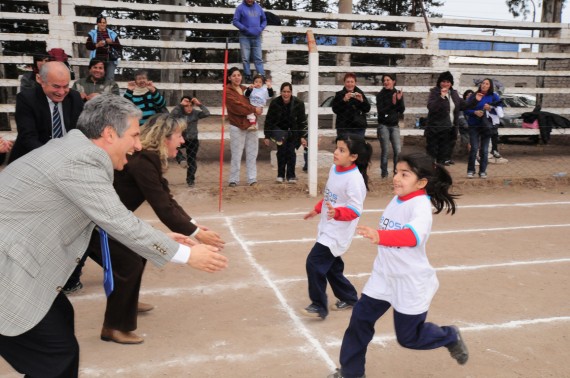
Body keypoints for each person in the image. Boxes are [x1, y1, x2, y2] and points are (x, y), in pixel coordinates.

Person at [0, 94, 228, 377]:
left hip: (21, 263)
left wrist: (162, 238)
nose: (138, 144)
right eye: (133, 135)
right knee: (56, 356)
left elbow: (107, 215)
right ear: (109, 134)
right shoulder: (80, 161)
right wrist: (186, 254)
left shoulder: (73, 151)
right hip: (9, 272)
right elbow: (116, 219)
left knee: (60, 329)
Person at [83, 113, 225, 344]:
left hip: (109, 220)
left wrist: (194, 226)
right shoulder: (142, 162)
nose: (182, 141)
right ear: (164, 137)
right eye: (178, 136)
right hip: (93, 222)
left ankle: (127, 301)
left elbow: (167, 198)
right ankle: (113, 327)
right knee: (128, 263)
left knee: (137, 255)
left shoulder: (149, 160)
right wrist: (197, 235)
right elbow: (162, 207)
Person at [329, 153, 468, 378]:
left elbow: (411, 236)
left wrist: (380, 236)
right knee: (359, 321)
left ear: (421, 182)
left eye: (405, 174)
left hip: (409, 281)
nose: (396, 178)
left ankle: (449, 336)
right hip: (383, 276)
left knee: (409, 338)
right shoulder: (398, 197)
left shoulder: (420, 206)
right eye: (396, 172)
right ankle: (351, 373)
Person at [301, 135, 372, 320]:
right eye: (337, 148)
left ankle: (318, 305)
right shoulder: (335, 168)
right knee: (331, 267)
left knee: (314, 262)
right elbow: (330, 197)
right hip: (327, 225)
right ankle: (349, 298)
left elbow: (355, 209)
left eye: (342, 150)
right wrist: (317, 210)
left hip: (338, 231)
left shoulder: (355, 180)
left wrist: (338, 214)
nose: (336, 152)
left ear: (353, 157)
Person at [8, 61, 84, 164]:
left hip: (67, 159)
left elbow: (80, 131)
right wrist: (54, 158)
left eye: (66, 86)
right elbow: (28, 138)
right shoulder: (26, 99)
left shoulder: (74, 97)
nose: (62, 92)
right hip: (32, 159)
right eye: (56, 86)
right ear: (40, 80)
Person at [425, 71, 476, 166]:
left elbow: (464, 105)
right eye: (443, 81)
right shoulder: (434, 92)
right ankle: (430, 173)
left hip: (449, 128)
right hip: (435, 129)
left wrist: (476, 99)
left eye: (448, 82)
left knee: (444, 154)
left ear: (451, 83)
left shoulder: (454, 94)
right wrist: (441, 97)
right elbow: (431, 107)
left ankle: (442, 171)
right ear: (439, 82)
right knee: (432, 154)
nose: (445, 84)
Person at [263, 82, 307, 184]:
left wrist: (303, 136)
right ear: (280, 92)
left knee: (291, 153)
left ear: (291, 92)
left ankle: (291, 175)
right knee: (281, 153)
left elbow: (302, 121)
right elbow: (269, 120)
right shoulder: (275, 103)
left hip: (293, 132)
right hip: (279, 133)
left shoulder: (299, 103)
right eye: (284, 91)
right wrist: (267, 136)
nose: (286, 94)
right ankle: (280, 175)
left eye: (288, 92)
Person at [225, 67, 263, 187]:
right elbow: (237, 107)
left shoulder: (246, 89)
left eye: (239, 75)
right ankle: (233, 179)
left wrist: (259, 108)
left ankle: (252, 178)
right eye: (234, 75)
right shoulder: (227, 91)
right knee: (236, 154)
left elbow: (257, 100)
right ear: (229, 78)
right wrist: (253, 109)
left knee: (252, 153)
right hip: (237, 125)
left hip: (251, 124)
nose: (237, 77)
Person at [463, 78, 502, 179]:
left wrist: (491, 109)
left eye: (487, 84)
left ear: (490, 86)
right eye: (483, 83)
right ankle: (471, 170)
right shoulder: (473, 96)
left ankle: (483, 171)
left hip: (487, 126)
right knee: (474, 148)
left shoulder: (494, 96)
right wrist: (474, 112)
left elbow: (500, 110)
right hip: (474, 125)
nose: (484, 85)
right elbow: (465, 109)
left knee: (484, 150)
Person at [171, 96, 211, 187]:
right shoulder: (178, 113)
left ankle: (190, 181)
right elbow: (171, 116)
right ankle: (181, 160)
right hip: (180, 138)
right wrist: (180, 105)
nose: (188, 108)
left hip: (192, 140)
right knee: (173, 147)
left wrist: (199, 104)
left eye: (190, 106)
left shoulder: (195, 113)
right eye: (186, 106)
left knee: (192, 161)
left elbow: (207, 113)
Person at [376, 73, 405, 178]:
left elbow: (401, 110)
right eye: (384, 80)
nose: (386, 82)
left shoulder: (397, 93)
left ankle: (397, 172)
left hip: (394, 126)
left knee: (398, 150)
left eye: (388, 80)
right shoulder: (380, 95)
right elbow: (381, 111)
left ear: (394, 81)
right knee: (385, 150)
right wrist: (392, 103)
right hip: (383, 125)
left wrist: (399, 100)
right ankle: (384, 173)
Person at [232, 0, 267, 82]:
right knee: (245, 58)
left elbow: (264, 20)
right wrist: (244, 28)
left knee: (258, 58)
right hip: (245, 36)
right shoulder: (240, 8)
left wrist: (261, 28)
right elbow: (235, 21)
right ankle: (248, 76)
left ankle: (261, 76)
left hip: (257, 36)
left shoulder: (258, 7)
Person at [332, 73, 371, 138]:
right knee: (344, 147)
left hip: (358, 127)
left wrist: (361, 101)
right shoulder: (339, 94)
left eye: (352, 82)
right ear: (344, 83)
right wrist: (343, 100)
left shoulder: (360, 94)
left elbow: (367, 109)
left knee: (358, 147)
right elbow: (335, 109)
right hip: (343, 127)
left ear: (355, 83)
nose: (350, 84)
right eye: (348, 82)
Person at [86, 14, 122, 81]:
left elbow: (119, 47)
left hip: (110, 59)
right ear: (97, 23)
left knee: (109, 78)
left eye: (104, 22)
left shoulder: (112, 34)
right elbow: (88, 46)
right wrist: (97, 45)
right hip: (97, 59)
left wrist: (111, 43)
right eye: (100, 22)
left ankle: (108, 91)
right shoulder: (92, 33)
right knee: (97, 78)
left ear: (106, 23)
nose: (102, 24)